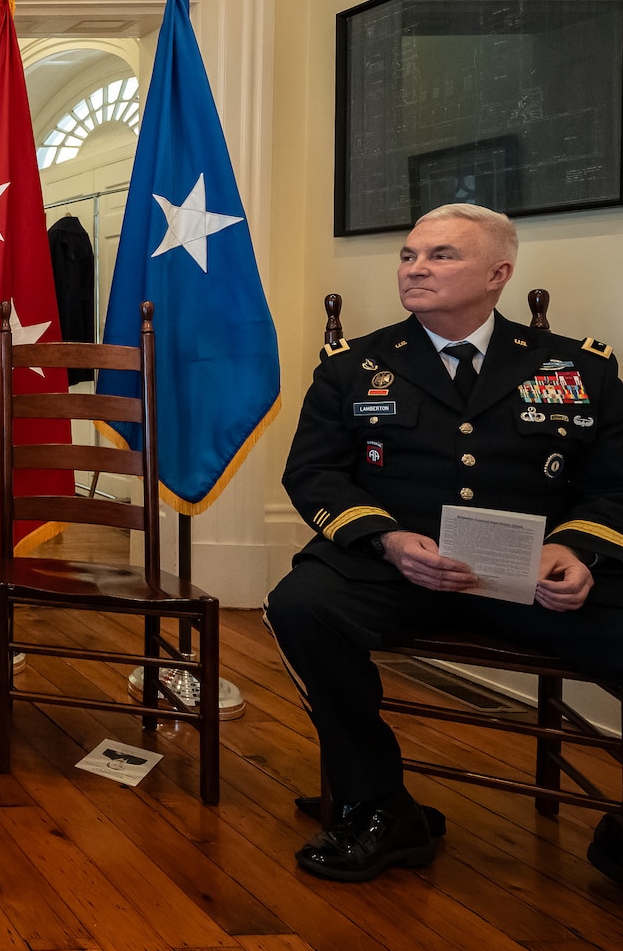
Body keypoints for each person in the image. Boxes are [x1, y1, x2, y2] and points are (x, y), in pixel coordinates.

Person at [267, 203, 623, 884]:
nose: (415, 268)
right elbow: (311, 472)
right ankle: (377, 801)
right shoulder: (354, 366)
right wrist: (389, 538)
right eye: (408, 255)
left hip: (534, 579)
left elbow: (616, 482)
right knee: (303, 605)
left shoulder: (578, 368)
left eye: (440, 255)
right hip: (398, 572)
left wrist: (578, 549)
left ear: (499, 273)